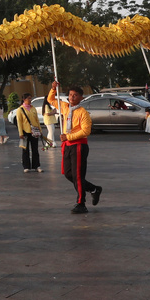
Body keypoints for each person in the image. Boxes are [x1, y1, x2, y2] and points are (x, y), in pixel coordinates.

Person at [48, 82, 102, 214]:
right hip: (67, 145)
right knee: (68, 174)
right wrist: (53, 88)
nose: (72, 97)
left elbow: (86, 131)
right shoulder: (65, 106)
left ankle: (81, 203)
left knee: (78, 175)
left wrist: (68, 137)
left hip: (78, 145)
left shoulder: (83, 113)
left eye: (75, 95)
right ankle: (93, 189)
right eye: (70, 95)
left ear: (81, 98)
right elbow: (50, 99)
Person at [14, 93, 42, 172]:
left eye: (30, 98)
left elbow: (37, 120)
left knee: (35, 149)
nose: (30, 100)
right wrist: (21, 133)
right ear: (24, 99)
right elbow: (19, 122)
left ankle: (36, 166)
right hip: (25, 131)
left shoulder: (33, 108)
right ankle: (26, 166)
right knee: (25, 150)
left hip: (34, 131)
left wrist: (40, 130)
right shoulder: (20, 109)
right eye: (28, 98)